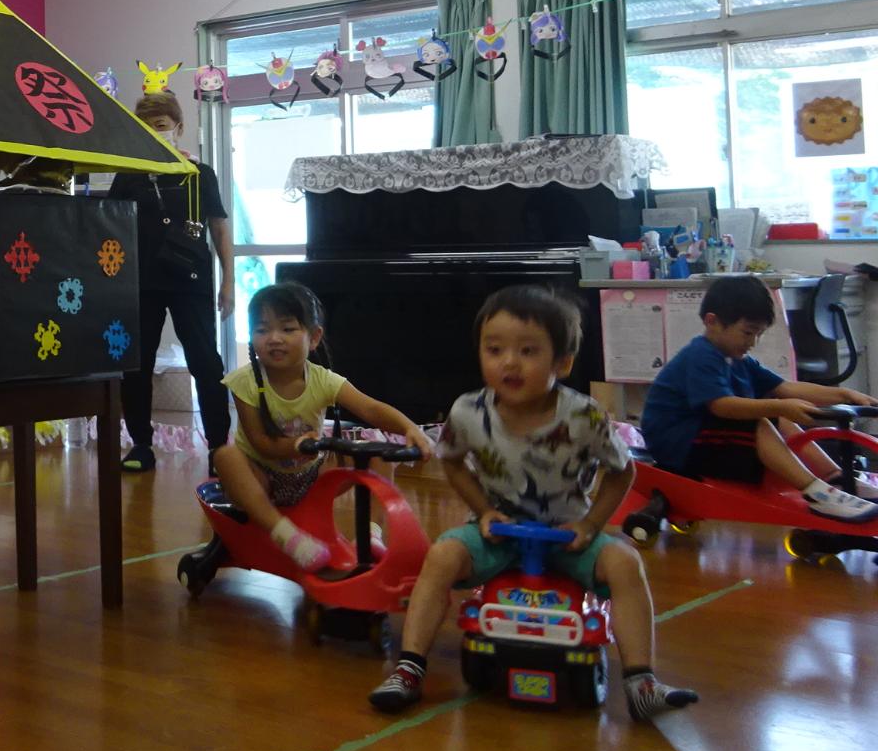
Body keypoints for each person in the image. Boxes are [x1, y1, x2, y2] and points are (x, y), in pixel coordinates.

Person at [370, 286, 697, 723]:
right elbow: (452, 462)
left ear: (562, 363)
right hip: (498, 535)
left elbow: (622, 472)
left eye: (528, 351)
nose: (509, 362)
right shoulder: (467, 411)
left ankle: (641, 682)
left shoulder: (584, 417)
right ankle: (409, 668)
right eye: (494, 349)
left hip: (567, 536)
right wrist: (483, 510)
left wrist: (591, 524)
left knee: (625, 564)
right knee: (442, 555)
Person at [212, 283, 432, 570]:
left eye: (287, 329)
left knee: (377, 452)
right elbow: (260, 442)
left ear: (314, 337)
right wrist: (295, 445)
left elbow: (371, 408)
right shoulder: (244, 381)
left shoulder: (323, 380)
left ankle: (370, 535)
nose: (274, 338)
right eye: (262, 330)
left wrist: (410, 428)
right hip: (261, 478)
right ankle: (286, 536)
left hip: (311, 475)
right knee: (225, 456)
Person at [640, 275, 878, 522]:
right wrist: (779, 407)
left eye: (759, 334)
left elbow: (785, 388)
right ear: (712, 322)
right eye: (747, 333)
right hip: (678, 443)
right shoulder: (701, 356)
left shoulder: (739, 359)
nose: (753, 342)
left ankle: (834, 477)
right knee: (762, 421)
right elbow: (721, 406)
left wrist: (844, 394)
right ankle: (816, 492)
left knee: (779, 418)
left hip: (702, 434)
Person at [102, 88, 234, 472]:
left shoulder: (200, 175)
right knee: (137, 365)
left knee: (205, 362)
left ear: (178, 126)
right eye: (145, 127)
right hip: (141, 282)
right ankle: (141, 445)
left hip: (191, 281)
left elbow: (219, 228)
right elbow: (110, 227)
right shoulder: (129, 177)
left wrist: (229, 281)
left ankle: (219, 449)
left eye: (159, 124)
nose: (154, 132)